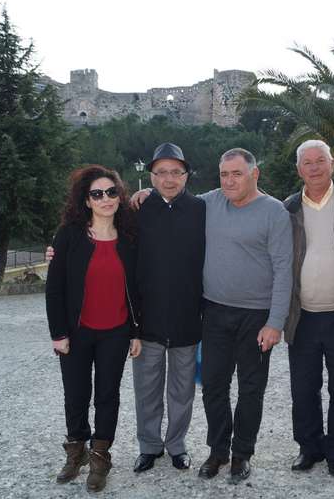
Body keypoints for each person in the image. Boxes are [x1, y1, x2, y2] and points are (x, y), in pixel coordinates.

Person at [196, 149, 293, 483]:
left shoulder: (274, 212)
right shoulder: (210, 202)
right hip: (214, 311)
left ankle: (242, 454)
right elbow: (175, 201)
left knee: (251, 389)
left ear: (255, 174)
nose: (229, 181)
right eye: (224, 174)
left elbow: (283, 270)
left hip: (257, 316)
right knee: (213, 385)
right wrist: (147, 193)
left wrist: (275, 322)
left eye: (236, 174)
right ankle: (218, 450)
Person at [45, 165, 142, 493]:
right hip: (77, 331)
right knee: (75, 395)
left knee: (107, 396)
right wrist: (58, 333)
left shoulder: (130, 237)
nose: (105, 199)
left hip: (116, 331)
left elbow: (137, 289)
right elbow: (54, 288)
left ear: (120, 196)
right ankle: (76, 452)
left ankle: (100, 457)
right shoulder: (69, 236)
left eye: (112, 192)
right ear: (86, 200)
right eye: (97, 194)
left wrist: (136, 331)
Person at [283, 140, 334, 477]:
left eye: (320, 160)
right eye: (307, 162)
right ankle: (309, 447)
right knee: (303, 389)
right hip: (302, 316)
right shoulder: (287, 209)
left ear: (332, 163)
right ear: (299, 169)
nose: (314, 167)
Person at [132, 143, 206, 473]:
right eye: (161, 172)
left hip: (187, 317)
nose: (169, 179)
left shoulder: (201, 209)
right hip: (146, 319)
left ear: (187, 175)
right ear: (151, 176)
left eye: (176, 172)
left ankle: (177, 445)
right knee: (146, 389)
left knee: (182, 391)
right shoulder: (137, 210)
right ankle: (149, 446)